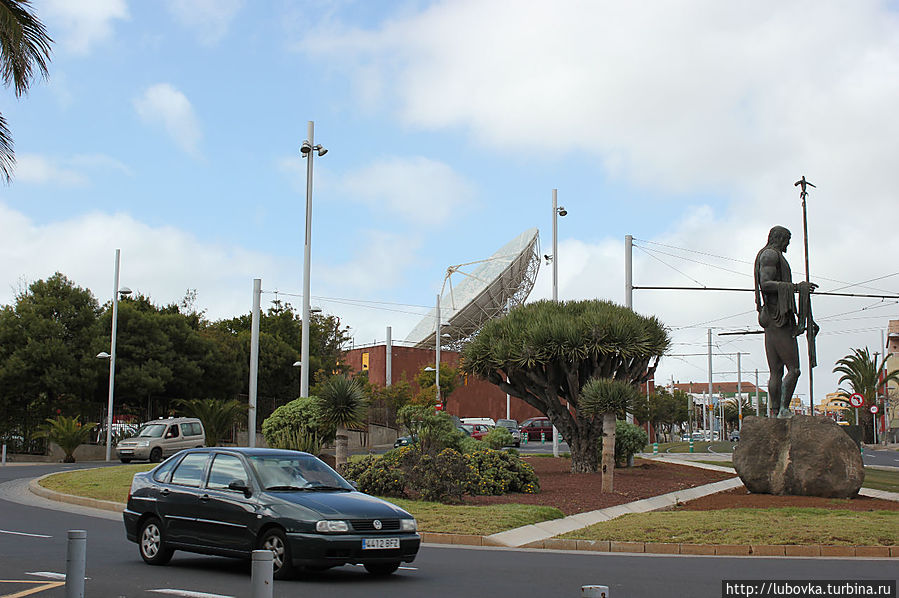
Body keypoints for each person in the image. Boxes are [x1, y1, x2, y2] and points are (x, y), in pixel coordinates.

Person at [754, 226, 816, 418]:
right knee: (794, 369)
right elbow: (766, 284)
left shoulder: (767, 255)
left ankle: (775, 412)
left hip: (772, 317)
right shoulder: (770, 256)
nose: (788, 243)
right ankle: (783, 409)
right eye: (787, 240)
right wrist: (797, 287)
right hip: (778, 318)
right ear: (779, 238)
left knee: (776, 371)